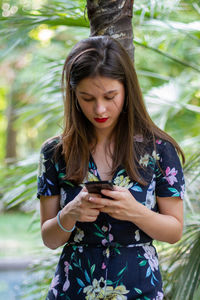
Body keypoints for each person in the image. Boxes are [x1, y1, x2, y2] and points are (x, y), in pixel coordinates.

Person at [37, 36, 185, 300]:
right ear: (74, 96)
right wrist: (71, 212)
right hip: (72, 291)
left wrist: (135, 211)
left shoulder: (159, 149)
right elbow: (49, 239)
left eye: (110, 96)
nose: (100, 108)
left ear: (127, 89)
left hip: (140, 290)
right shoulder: (54, 153)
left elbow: (174, 231)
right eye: (87, 98)